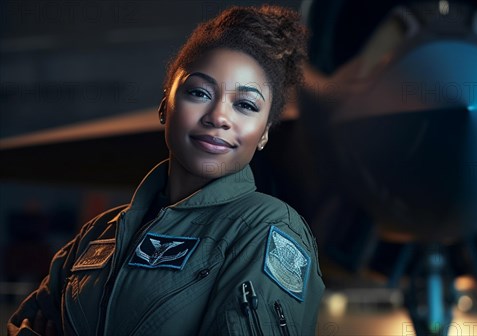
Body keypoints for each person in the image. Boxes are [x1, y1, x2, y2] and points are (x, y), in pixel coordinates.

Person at [7, 5, 324, 335]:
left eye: (245, 105)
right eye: (199, 92)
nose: (218, 116)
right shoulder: (99, 233)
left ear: (265, 133)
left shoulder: (266, 230)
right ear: (164, 105)